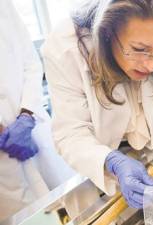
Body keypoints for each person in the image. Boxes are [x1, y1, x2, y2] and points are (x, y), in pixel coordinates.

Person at [41, 0, 153, 210]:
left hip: (151, 152)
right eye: (139, 49)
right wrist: (111, 161)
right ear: (108, 32)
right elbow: (71, 132)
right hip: (91, 163)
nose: (151, 64)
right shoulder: (66, 48)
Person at [0, 0, 75, 221]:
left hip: (32, 126)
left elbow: (30, 62)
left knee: (69, 201)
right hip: (4, 162)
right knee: (25, 217)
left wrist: (26, 114)